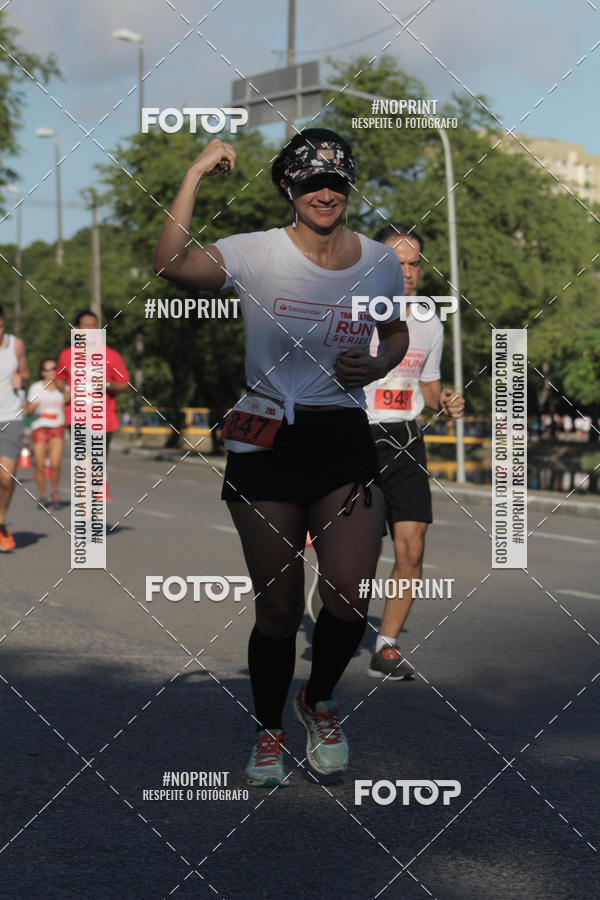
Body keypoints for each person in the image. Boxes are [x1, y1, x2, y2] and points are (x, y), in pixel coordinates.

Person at [154, 129, 409, 787]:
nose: (324, 194)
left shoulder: (379, 262)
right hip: (263, 434)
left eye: (335, 182)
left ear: (349, 187)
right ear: (287, 190)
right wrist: (195, 172)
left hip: (342, 437)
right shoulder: (255, 253)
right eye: (307, 183)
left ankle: (317, 698)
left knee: (350, 595)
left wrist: (380, 360)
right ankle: (269, 729)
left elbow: (395, 329)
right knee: (277, 607)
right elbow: (172, 262)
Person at [364, 224, 465, 680]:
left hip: (405, 437)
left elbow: (428, 382)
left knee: (413, 544)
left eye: (413, 263)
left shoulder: (429, 320)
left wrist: (444, 399)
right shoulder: (351, 313)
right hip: (354, 436)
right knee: (355, 553)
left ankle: (386, 645)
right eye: (396, 263)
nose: (407, 272)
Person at [55, 310, 130, 493]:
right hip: (77, 416)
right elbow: (59, 378)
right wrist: (64, 390)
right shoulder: (66, 355)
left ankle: (91, 504)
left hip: (103, 419)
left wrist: (106, 384)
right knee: (83, 461)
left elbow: (125, 385)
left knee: (96, 466)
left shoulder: (111, 356)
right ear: (77, 329)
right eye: (86, 326)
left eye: (94, 326)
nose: (90, 330)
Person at [0, 305, 29, 551]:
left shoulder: (16, 345)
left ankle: (0, 522)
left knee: (6, 478)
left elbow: (25, 370)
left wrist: (23, 378)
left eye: (0, 325)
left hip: (10, 418)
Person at [26, 358, 68, 509]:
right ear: (42, 372)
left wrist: (65, 389)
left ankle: (55, 492)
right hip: (40, 427)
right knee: (40, 464)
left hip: (57, 427)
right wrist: (31, 408)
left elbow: (70, 400)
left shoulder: (61, 386)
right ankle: (43, 495)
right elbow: (28, 411)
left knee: (56, 464)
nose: (52, 371)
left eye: (54, 368)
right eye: (48, 369)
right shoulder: (36, 388)